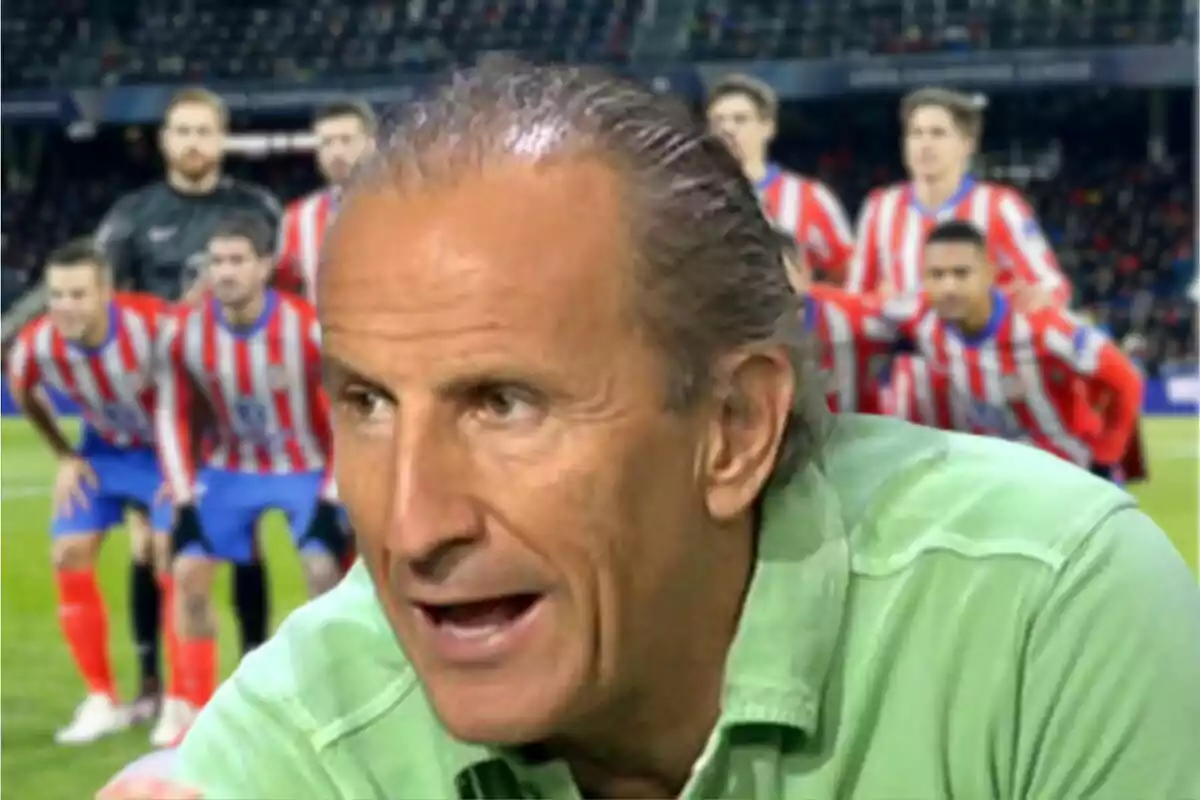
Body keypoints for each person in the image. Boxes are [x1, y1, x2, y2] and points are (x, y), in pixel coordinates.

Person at [101, 63, 1200, 800]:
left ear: (731, 428)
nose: (407, 522)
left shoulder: (1044, 616)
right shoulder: (322, 715)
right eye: (368, 403)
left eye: (503, 403)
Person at [94, 86, 281, 707]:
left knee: (245, 534)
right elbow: (104, 302)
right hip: (159, 410)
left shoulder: (255, 208)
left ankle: (257, 668)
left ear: (222, 138)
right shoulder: (134, 215)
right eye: (183, 131)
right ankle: (152, 678)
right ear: (165, 140)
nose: (194, 142)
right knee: (154, 543)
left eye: (205, 130)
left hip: (236, 408)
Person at [151, 212, 345, 746]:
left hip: (302, 465)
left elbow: (343, 416)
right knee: (187, 569)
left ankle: (319, 698)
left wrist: (332, 496)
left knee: (322, 566)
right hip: (231, 468)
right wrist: (186, 502)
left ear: (264, 266)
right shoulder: (186, 334)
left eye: (238, 260)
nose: (226, 272)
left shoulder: (305, 327)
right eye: (216, 262)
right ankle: (193, 705)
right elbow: (171, 415)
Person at [6, 239, 176, 743]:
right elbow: (23, 393)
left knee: (168, 558)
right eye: (57, 295)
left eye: (78, 294)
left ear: (106, 292)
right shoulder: (36, 344)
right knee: (68, 552)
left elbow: (201, 386)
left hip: (164, 453)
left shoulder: (153, 327)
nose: (65, 306)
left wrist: (184, 467)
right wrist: (65, 455)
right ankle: (101, 698)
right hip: (103, 452)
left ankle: (184, 701)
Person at [844, 87, 1074, 426]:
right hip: (910, 381)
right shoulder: (881, 208)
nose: (924, 144)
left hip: (985, 377)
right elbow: (855, 301)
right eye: (915, 133)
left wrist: (1022, 307)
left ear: (967, 144)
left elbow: (1051, 286)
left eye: (938, 133)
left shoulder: (999, 207)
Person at [880, 220, 1144, 474]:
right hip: (1001, 472)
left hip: (1068, 473)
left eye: (962, 273)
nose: (949, 286)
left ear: (989, 273)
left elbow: (1126, 379)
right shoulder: (921, 317)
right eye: (936, 275)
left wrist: (1104, 459)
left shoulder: (1041, 325)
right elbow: (863, 317)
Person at [706, 73, 854, 281]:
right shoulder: (688, 199)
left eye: (740, 119)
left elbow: (847, 273)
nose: (727, 129)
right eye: (718, 121)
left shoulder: (811, 198)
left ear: (767, 127)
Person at [777, 230, 895, 415]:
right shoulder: (731, 328)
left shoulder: (850, 313)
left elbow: (916, 324)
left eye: (780, 273)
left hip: (854, 437)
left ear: (803, 270)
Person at [275, 98, 377, 302]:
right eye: (326, 142)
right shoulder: (297, 218)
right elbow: (286, 294)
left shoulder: (406, 209)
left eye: (346, 140)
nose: (336, 152)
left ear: (371, 144)